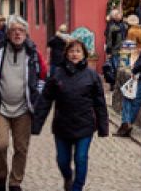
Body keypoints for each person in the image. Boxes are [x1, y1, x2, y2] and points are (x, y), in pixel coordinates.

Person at [32, 39, 109, 191]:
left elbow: (100, 102)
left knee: (80, 158)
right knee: (62, 161)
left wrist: (103, 127)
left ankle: (77, 187)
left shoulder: (92, 76)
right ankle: (68, 177)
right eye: (72, 51)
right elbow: (45, 99)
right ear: (66, 54)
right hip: (62, 125)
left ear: (84, 54)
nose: (75, 54)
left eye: (78, 51)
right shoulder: (57, 74)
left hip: (85, 125)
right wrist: (37, 123)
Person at [0, 15, 47, 191]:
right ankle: (1, 175)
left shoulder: (33, 53)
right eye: (13, 30)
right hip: (1, 108)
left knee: (21, 148)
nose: (17, 33)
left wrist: (37, 96)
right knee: (0, 145)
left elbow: (43, 75)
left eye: (21, 30)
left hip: (24, 108)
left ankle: (15, 182)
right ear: (8, 33)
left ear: (26, 33)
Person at [104, 10, 126, 85]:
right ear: (115, 17)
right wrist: (109, 51)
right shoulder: (112, 27)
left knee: (121, 68)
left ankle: (119, 83)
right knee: (115, 68)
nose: (121, 16)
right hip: (115, 51)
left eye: (120, 14)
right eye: (119, 15)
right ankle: (114, 83)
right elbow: (109, 40)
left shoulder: (123, 25)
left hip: (123, 50)